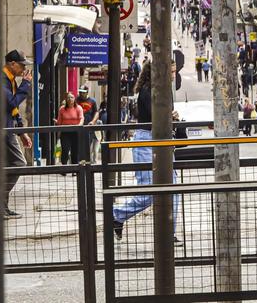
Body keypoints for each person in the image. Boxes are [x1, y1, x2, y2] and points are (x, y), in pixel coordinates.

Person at [112, 61, 183, 242]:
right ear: (160, 71)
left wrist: (172, 117)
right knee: (149, 193)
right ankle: (117, 214)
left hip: (163, 141)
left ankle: (169, 234)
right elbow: (156, 116)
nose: (174, 75)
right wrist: (169, 116)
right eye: (171, 71)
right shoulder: (146, 91)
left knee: (173, 189)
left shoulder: (166, 90)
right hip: (146, 141)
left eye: (175, 71)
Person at [2, 50, 33, 219]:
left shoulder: (10, 80)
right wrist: (25, 84)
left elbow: (13, 109)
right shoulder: (1, 80)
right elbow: (12, 102)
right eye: (22, 65)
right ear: (12, 64)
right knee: (19, 163)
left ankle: (2, 208)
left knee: (7, 167)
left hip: (8, 129)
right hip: (1, 131)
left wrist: (21, 132)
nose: (23, 69)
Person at [56, 92, 84, 165]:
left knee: (75, 151)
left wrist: (79, 125)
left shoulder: (78, 108)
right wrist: (58, 129)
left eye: (71, 97)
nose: (70, 99)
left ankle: (75, 168)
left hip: (75, 132)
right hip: (65, 132)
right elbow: (59, 121)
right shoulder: (62, 109)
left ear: (74, 99)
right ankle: (64, 167)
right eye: (68, 97)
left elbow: (81, 118)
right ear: (66, 99)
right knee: (65, 150)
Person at [76, 86, 100, 163]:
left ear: (87, 92)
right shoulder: (76, 100)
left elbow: (96, 112)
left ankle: (87, 162)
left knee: (88, 145)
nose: (81, 93)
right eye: (80, 92)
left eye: (83, 92)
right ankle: (78, 162)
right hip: (78, 126)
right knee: (78, 145)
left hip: (88, 126)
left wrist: (93, 121)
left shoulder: (92, 101)